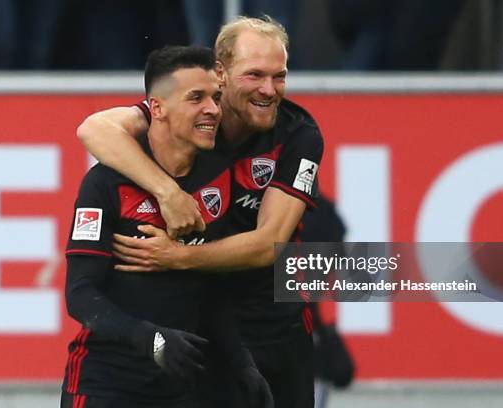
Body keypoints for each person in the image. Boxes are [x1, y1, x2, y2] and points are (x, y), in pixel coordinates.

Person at [77, 16, 323, 408]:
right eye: (255, 75)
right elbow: (94, 129)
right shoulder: (197, 116)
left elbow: (267, 245)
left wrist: (179, 257)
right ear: (221, 73)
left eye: (280, 77)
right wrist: (169, 193)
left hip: (276, 324)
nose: (269, 89)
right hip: (208, 328)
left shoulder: (298, 134)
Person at [62, 45, 272, 408]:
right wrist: (149, 338)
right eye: (196, 98)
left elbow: (212, 291)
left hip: (184, 387)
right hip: (107, 384)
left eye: (216, 97)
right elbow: (80, 295)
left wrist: (242, 365)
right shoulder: (106, 183)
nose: (213, 109)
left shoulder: (219, 177)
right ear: (156, 109)